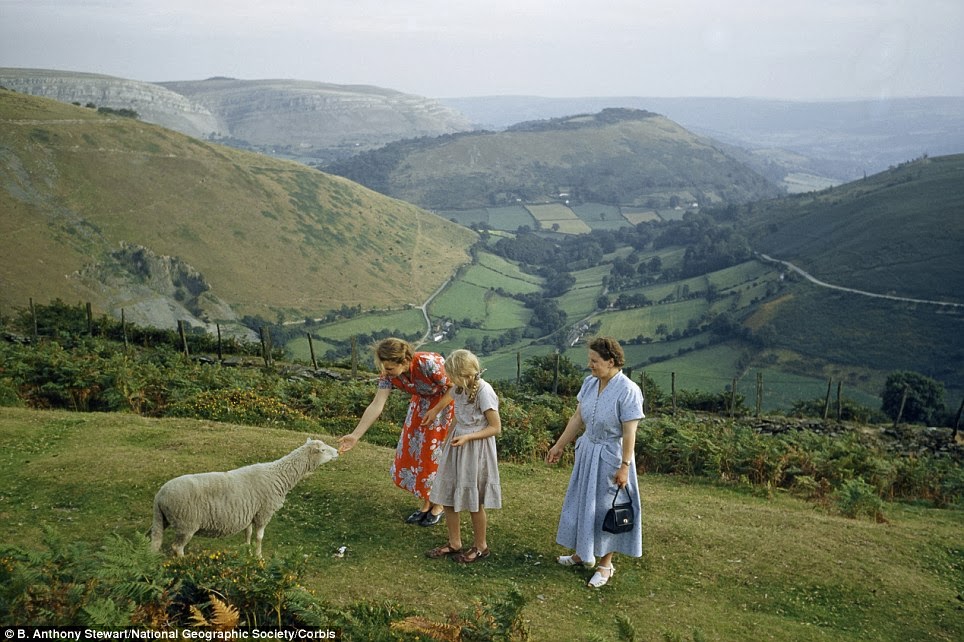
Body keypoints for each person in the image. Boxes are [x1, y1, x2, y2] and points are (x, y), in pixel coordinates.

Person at [546, 337, 643, 588]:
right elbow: (578, 417)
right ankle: (582, 552)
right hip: (588, 451)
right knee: (582, 502)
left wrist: (625, 466)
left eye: (594, 361)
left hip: (612, 456)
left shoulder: (628, 390)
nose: (590, 365)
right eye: (589, 360)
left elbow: (630, 432)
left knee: (607, 508)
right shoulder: (590, 383)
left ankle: (605, 564)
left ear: (611, 362)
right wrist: (559, 446)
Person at [338, 337, 454, 526]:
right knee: (419, 456)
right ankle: (426, 503)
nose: (386, 372)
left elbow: (455, 387)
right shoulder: (389, 374)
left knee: (435, 456)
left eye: (390, 368)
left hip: (445, 407)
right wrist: (355, 435)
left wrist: (436, 410)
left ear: (406, 361)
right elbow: (377, 404)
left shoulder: (429, 364)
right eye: (384, 367)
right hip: (421, 407)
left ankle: (438, 504)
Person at [423, 349, 502, 563]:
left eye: (451, 375)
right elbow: (455, 409)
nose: (449, 379)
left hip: (476, 449)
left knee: (475, 502)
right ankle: (455, 542)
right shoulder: (460, 389)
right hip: (457, 445)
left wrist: (469, 438)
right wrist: (445, 431)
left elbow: (495, 427)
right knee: (447, 495)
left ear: (463, 373)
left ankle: (480, 546)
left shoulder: (484, 391)